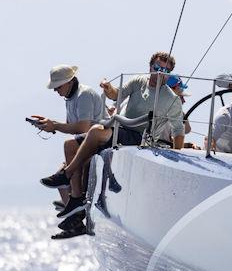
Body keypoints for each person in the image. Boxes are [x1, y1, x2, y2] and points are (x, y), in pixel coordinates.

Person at [41, 52, 185, 232]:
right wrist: (108, 88)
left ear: (170, 73)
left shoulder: (171, 99)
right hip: (122, 128)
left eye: (165, 70)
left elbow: (179, 130)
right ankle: (76, 198)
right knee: (69, 145)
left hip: (139, 136)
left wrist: (177, 154)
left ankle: (67, 173)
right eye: (157, 68)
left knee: (95, 131)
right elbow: (117, 94)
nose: (160, 73)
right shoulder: (138, 81)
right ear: (150, 67)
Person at [32, 65, 104, 207]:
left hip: (97, 142)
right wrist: (49, 125)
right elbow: (71, 127)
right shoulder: (69, 98)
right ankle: (73, 216)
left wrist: (55, 125)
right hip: (83, 143)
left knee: (66, 154)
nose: (55, 90)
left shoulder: (84, 95)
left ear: (69, 82)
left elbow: (83, 127)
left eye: (58, 87)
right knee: (59, 179)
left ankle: (75, 200)